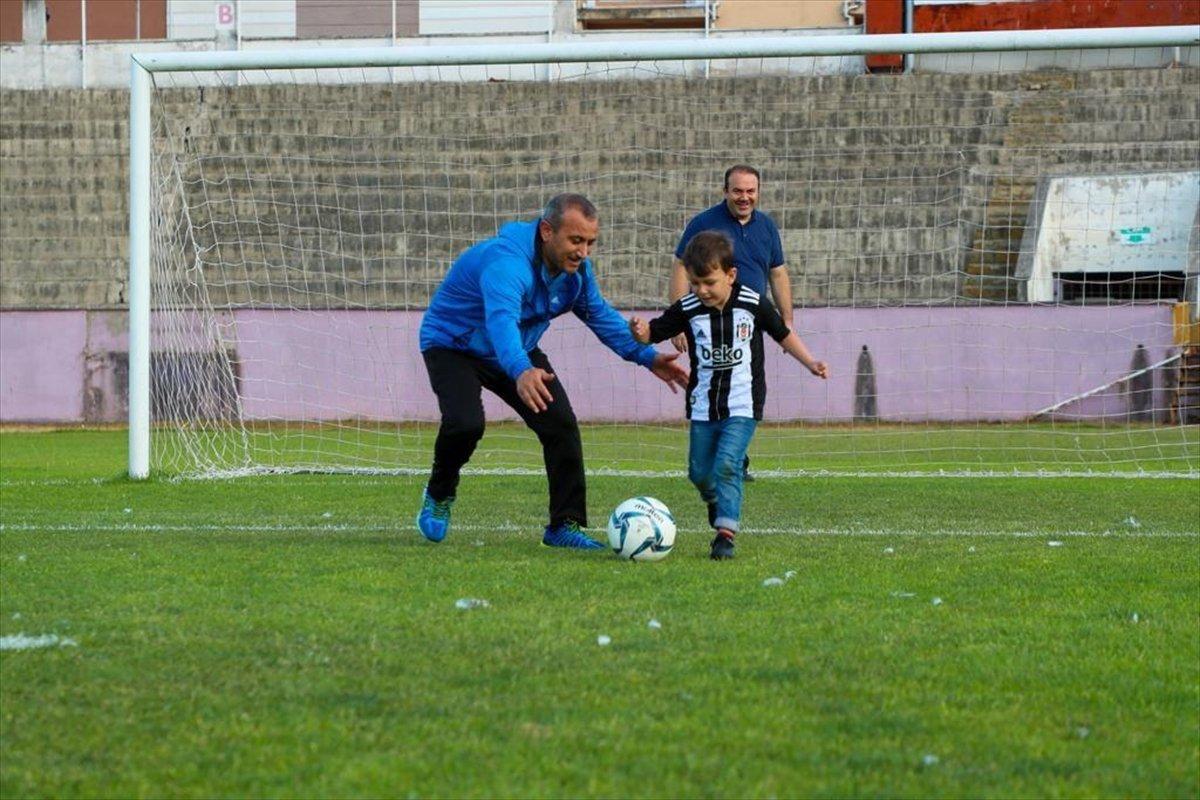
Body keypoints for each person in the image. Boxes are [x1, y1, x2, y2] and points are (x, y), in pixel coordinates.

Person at [416, 193, 689, 549]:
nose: (583, 252)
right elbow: (501, 322)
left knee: (560, 424)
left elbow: (601, 318)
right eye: (576, 240)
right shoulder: (506, 263)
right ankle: (439, 493)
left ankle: (565, 525)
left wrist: (647, 356)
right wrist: (521, 369)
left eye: (590, 242)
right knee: (465, 422)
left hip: (518, 351)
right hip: (453, 344)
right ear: (547, 231)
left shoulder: (577, 275)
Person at [631, 230, 828, 560]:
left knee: (727, 464)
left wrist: (810, 362)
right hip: (703, 404)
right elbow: (655, 332)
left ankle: (725, 534)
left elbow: (782, 334)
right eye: (695, 283)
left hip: (743, 402)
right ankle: (713, 501)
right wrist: (640, 332)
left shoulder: (751, 302)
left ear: (730, 275)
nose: (702, 290)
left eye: (709, 282)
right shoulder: (688, 307)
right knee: (698, 472)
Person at [671, 165, 794, 482]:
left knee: (750, 391)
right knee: (713, 390)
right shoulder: (703, 224)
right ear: (725, 191)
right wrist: (678, 322)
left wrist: (788, 320)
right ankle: (720, 459)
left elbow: (777, 273)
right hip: (709, 323)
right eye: (738, 191)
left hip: (750, 324)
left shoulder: (766, 226)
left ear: (758, 191)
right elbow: (682, 269)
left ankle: (734, 458)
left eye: (750, 191)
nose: (744, 197)